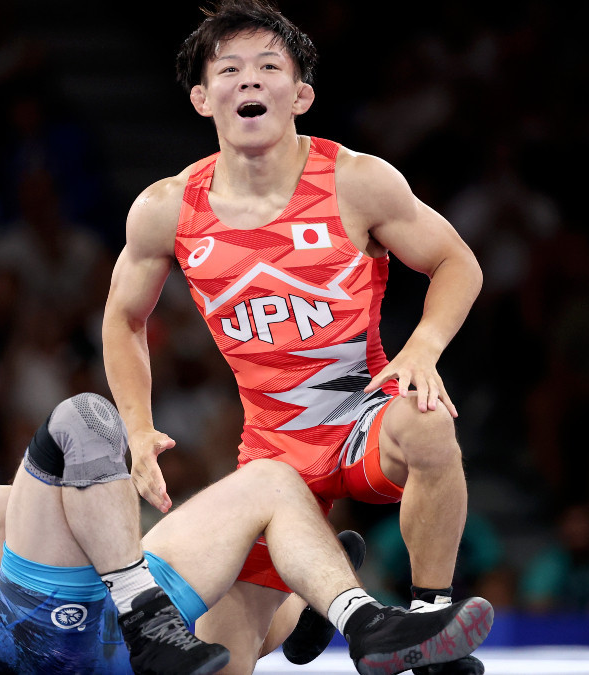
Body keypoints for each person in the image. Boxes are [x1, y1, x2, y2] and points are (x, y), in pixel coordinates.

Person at [100, 2, 485, 673]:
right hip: (273, 454)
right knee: (229, 654)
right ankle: (308, 606)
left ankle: (427, 625)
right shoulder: (165, 209)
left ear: (300, 93)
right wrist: (136, 429)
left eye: (269, 66)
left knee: (429, 422)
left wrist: (422, 347)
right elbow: (123, 318)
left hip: (365, 413)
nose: (250, 81)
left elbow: (458, 262)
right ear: (201, 97)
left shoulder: (357, 181)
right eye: (230, 69)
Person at [0, 393, 493, 675]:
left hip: (97, 629)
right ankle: (285, 612)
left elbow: (5, 505)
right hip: (30, 633)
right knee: (80, 421)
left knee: (271, 483)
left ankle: (356, 620)